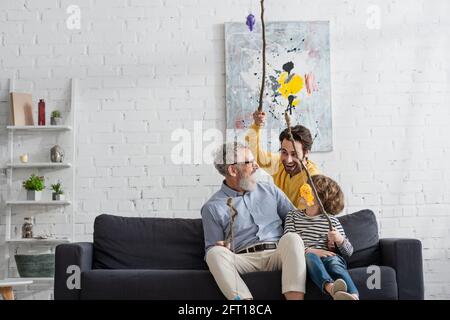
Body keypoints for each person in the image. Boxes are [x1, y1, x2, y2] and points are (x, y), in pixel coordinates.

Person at [201, 142, 307, 300]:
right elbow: (214, 249)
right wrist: (222, 246)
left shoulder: (270, 190)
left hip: (277, 254)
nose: (257, 166)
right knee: (213, 254)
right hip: (243, 259)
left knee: (292, 238)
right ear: (232, 170)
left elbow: (298, 221)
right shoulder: (212, 207)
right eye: (250, 162)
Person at [284, 174, 359, 300]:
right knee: (310, 257)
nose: (303, 190)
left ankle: (353, 296)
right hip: (306, 257)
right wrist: (309, 250)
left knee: (335, 263)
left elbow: (349, 252)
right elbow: (288, 243)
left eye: (308, 189)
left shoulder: (332, 221)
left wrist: (339, 239)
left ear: (320, 198)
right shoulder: (293, 216)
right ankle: (331, 287)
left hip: (328, 257)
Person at [245, 111, 320, 209]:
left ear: (306, 153)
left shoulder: (314, 181)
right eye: (284, 152)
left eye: (294, 154)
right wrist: (256, 125)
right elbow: (256, 154)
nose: (288, 160)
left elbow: (305, 218)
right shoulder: (279, 164)